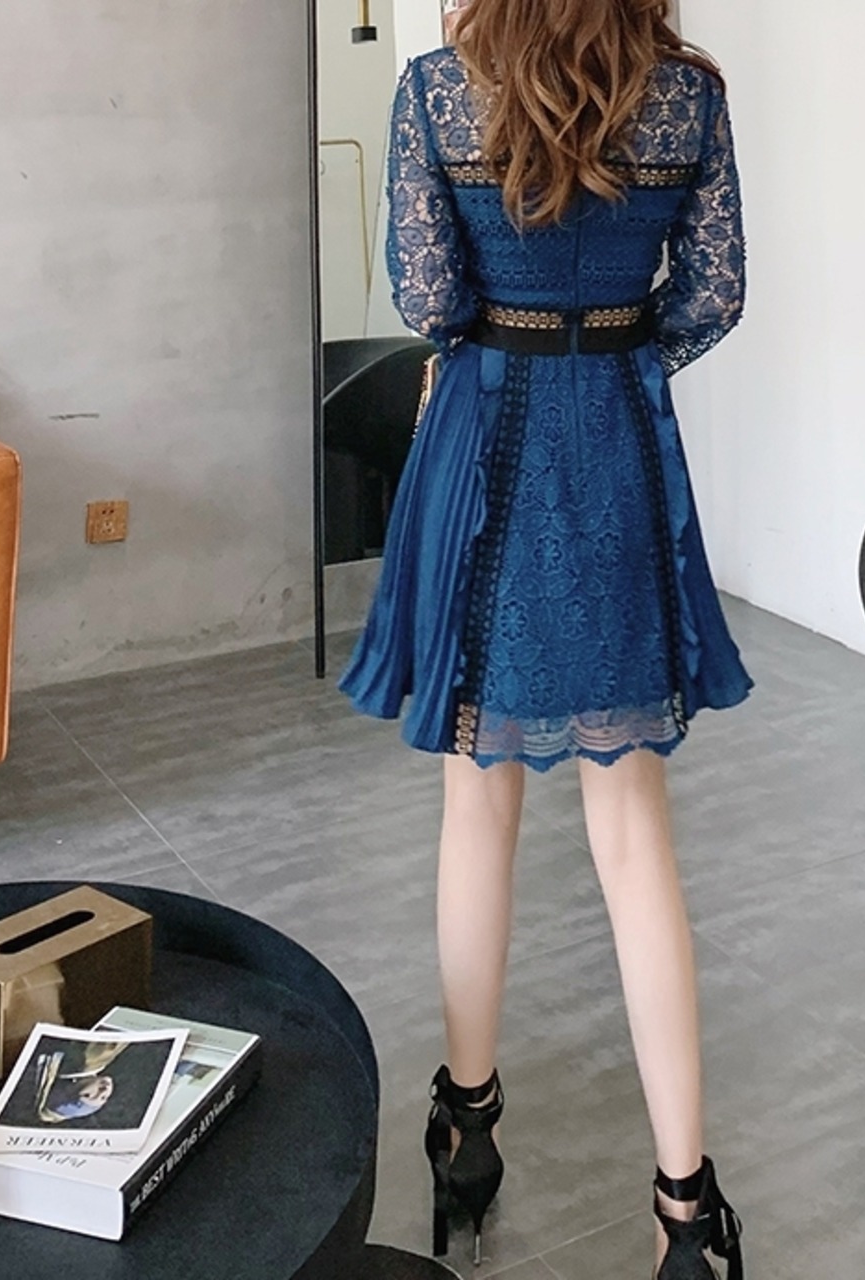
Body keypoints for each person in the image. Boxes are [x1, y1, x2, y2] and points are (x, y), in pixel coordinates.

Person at [339, 1, 749, 1275]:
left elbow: (428, 295)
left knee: (478, 806)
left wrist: (510, 331)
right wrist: (619, 354)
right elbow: (714, 294)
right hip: (615, 436)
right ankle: (684, 1207)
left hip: (487, 440)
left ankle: (466, 1125)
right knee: (633, 832)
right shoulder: (686, 93)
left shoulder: (435, 89)